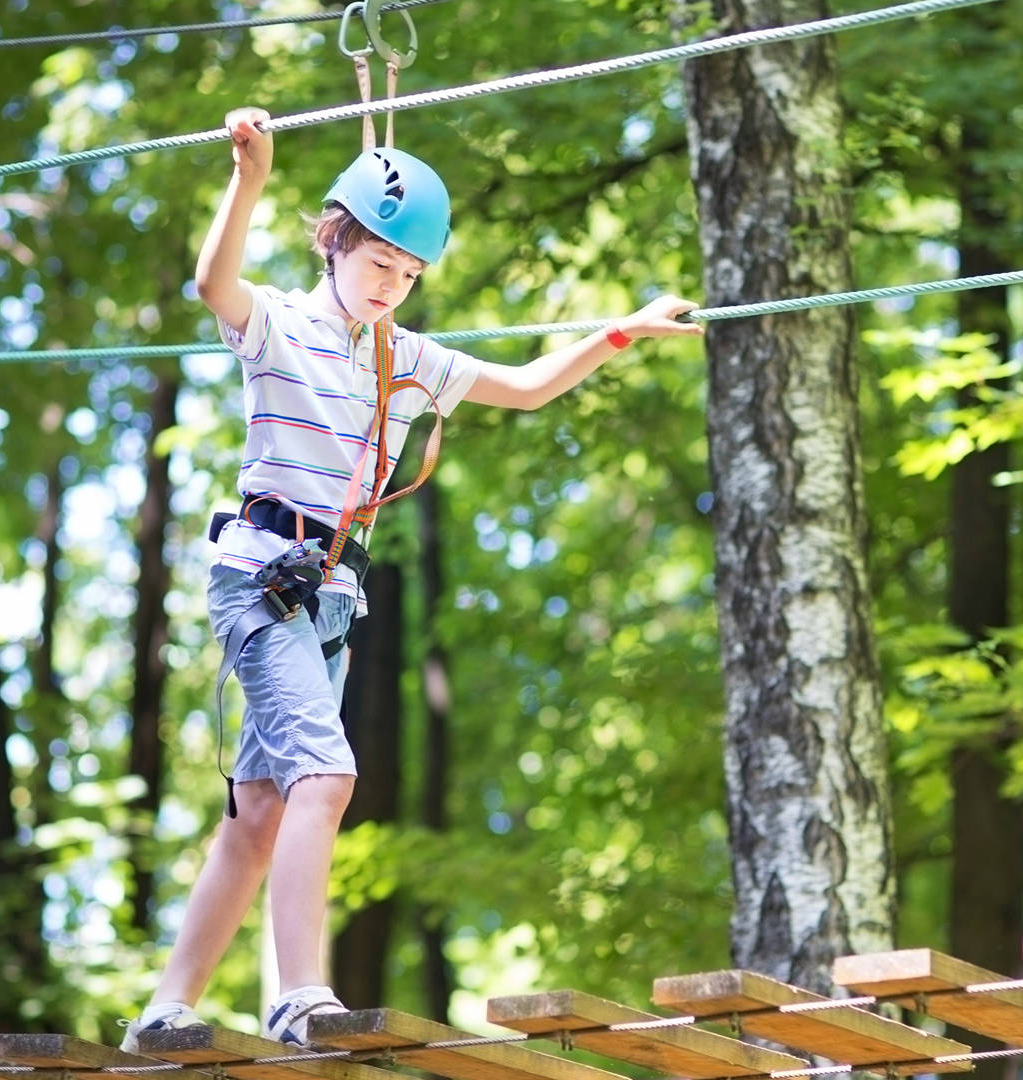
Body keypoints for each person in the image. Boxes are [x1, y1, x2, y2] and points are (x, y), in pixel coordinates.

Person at [119, 106, 702, 1053]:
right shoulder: (276, 326)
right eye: (378, 262)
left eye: (409, 273)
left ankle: (161, 1011)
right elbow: (211, 281)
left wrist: (621, 333)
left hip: (328, 595)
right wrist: (250, 177)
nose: (392, 284)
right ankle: (299, 996)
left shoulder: (407, 358)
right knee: (327, 775)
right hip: (263, 575)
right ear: (335, 243)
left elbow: (524, 385)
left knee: (263, 808)